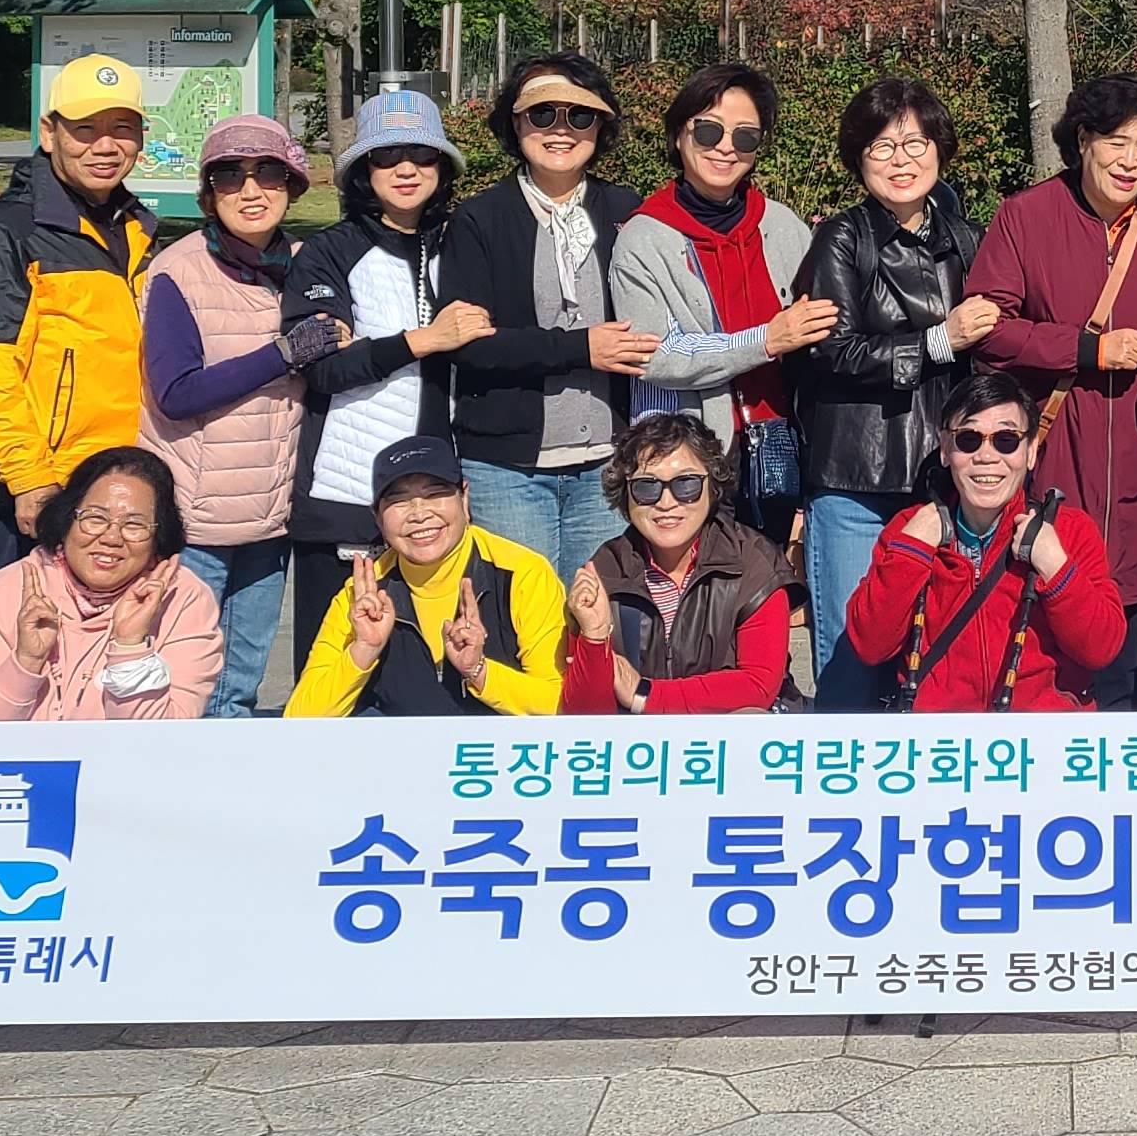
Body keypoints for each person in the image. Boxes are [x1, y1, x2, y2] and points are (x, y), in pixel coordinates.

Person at [962, 72, 1137, 710]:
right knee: (1042, 648)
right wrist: (1088, 348)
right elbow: (989, 334)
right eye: (1117, 141)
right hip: (1050, 459)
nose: (1130, 161)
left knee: (1125, 652)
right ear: (1084, 139)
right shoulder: (1024, 216)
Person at [792, 75, 991, 706]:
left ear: (940, 150)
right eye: (881, 147)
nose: (900, 161)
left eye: (914, 143)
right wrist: (938, 340)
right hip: (856, 479)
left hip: (942, 479)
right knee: (851, 654)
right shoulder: (841, 238)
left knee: (935, 652)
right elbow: (825, 351)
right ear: (858, 160)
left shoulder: (964, 236)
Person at [284, 88, 489, 666]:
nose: (406, 168)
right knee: (334, 666)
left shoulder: (463, 243)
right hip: (347, 496)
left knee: (432, 667)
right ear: (361, 170)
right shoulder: (330, 251)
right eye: (386, 155)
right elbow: (321, 367)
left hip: (442, 499)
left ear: (443, 167)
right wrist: (424, 341)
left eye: (423, 155)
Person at [137, 115, 328, 717]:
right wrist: (282, 355)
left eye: (269, 174)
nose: (251, 191)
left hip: (270, 518)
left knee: (241, 685)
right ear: (208, 192)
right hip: (198, 523)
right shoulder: (178, 270)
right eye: (230, 176)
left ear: (293, 184)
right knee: (183, 682)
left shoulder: (306, 264)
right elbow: (176, 391)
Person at [444, 57, 657, 578]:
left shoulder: (626, 211)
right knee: (522, 630)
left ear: (600, 128)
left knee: (597, 623)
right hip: (507, 469)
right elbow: (472, 345)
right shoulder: (480, 219)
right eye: (542, 115)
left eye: (579, 118)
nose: (560, 130)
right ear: (516, 125)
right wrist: (580, 348)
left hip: (608, 464)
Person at [614, 62, 833, 540]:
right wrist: (767, 341)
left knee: (774, 587)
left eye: (746, 137)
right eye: (709, 130)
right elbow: (653, 356)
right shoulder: (643, 238)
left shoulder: (784, 227)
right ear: (678, 134)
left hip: (781, 441)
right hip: (687, 453)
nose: (726, 147)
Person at [0, 54, 160, 561]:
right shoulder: (8, 232)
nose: (106, 146)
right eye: (85, 129)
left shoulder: (136, 227)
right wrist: (28, 479)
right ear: (49, 133)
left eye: (122, 128)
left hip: (125, 479)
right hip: (51, 486)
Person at [843, 368, 1127, 711]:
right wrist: (912, 550)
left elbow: (1102, 648)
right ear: (945, 448)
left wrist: (1055, 565)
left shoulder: (1070, 530)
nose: (986, 456)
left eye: (1006, 440)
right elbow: (869, 645)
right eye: (969, 439)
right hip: (941, 747)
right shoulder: (908, 531)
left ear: (1031, 451)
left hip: (1042, 743)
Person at [0, 445, 222, 722]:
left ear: (159, 537)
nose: (112, 538)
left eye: (134, 525)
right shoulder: (0, 594)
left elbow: (166, 745)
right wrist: (25, 662)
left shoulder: (184, 600)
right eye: (95, 519)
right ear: (66, 519)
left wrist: (131, 649)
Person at [287, 436, 569, 717]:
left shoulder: (523, 574)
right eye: (399, 501)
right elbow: (300, 719)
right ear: (378, 518)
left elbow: (562, 705)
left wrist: (479, 671)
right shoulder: (363, 594)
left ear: (464, 496)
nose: (419, 514)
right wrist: (363, 649)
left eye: (435, 494)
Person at [563, 412, 792, 714]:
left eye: (686, 484)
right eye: (647, 486)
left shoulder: (753, 562)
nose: (666, 502)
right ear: (626, 494)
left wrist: (646, 694)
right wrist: (594, 637)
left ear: (712, 487)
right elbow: (583, 718)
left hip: (728, 742)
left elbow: (757, 686)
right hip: (638, 748)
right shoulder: (604, 571)